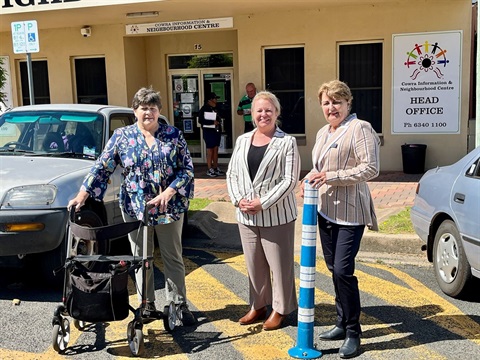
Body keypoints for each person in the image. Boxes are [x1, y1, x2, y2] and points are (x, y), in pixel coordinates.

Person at [67, 86, 196, 325]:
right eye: (143, 108)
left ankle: (178, 304)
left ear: (159, 111)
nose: (148, 113)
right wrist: (82, 195)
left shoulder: (173, 135)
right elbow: (102, 167)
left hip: (168, 208)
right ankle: (145, 305)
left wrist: (169, 191)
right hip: (135, 208)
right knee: (140, 257)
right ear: (135, 111)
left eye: (153, 108)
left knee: (172, 257)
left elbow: (186, 169)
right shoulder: (122, 136)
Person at [301, 80, 380, 358]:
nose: (331, 107)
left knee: (343, 271)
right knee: (333, 267)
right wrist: (311, 176)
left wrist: (330, 177)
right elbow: (321, 166)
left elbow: (370, 168)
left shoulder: (360, 128)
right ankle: (340, 320)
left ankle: (353, 331)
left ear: (348, 103)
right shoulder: (323, 132)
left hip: (351, 211)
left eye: (337, 101)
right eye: (326, 102)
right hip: (325, 209)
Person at [226, 90, 301, 331]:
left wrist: (262, 202)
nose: (263, 114)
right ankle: (258, 306)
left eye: (269, 110)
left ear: (277, 113)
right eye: (259, 110)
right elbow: (232, 174)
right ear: (251, 114)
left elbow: (290, 180)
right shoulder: (242, 140)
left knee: (279, 266)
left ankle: (280, 308)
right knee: (254, 264)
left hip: (276, 214)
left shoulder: (286, 142)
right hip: (246, 214)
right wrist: (238, 200)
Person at [199, 92, 224, 177]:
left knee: (216, 149)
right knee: (210, 150)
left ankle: (216, 167)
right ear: (210, 100)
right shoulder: (204, 109)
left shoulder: (217, 108)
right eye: (215, 99)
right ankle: (210, 168)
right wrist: (212, 122)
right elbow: (201, 120)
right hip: (208, 132)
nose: (216, 100)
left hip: (216, 131)